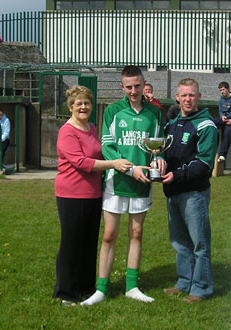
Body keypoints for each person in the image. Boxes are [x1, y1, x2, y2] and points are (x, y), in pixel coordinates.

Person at [81, 65, 164, 306]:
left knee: (136, 233)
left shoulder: (154, 113)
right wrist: (129, 168)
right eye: (128, 87)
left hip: (143, 180)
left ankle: (131, 286)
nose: (133, 90)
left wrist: (157, 161)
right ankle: (101, 289)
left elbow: (157, 146)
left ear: (144, 83)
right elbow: (107, 147)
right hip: (117, 180)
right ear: (122, 87)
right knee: (109, 234)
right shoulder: (113, 111)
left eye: (137, 85)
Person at [53, 85, 133, 306]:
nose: (83, 107)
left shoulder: (92, 129)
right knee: (71, 242)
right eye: (78, 103)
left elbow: (100, 151)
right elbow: (81, 162)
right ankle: (65, 292)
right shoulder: (67, 131)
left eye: (87, 103)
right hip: (71, 193)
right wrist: (113, 164)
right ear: (70, 107)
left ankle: (86, 287)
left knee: (89, 242)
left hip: (93, 193)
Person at [161, 78, 217, 303]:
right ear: (177, 97)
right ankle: (184, 282)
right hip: (173, 192)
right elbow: (163, 151)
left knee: (199, 244)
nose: (187, 99)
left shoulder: (206, 125)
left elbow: (204, 163)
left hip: (194, 193)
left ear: (199, 97)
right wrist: (159, 162)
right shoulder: (172, 124)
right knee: (179, 242)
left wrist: (177, 174)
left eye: (191, 95)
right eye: (183, 95)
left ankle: (201, 288)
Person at [213, 81, 231, 162]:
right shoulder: (221, 100)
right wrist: (222, 116)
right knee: (211, 123)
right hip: (224, 120)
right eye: (220, 90)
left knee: (227, 134)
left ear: (228, 89)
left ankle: (222, 154)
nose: (222, 92)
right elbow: (220, 111)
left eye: (223, 89)